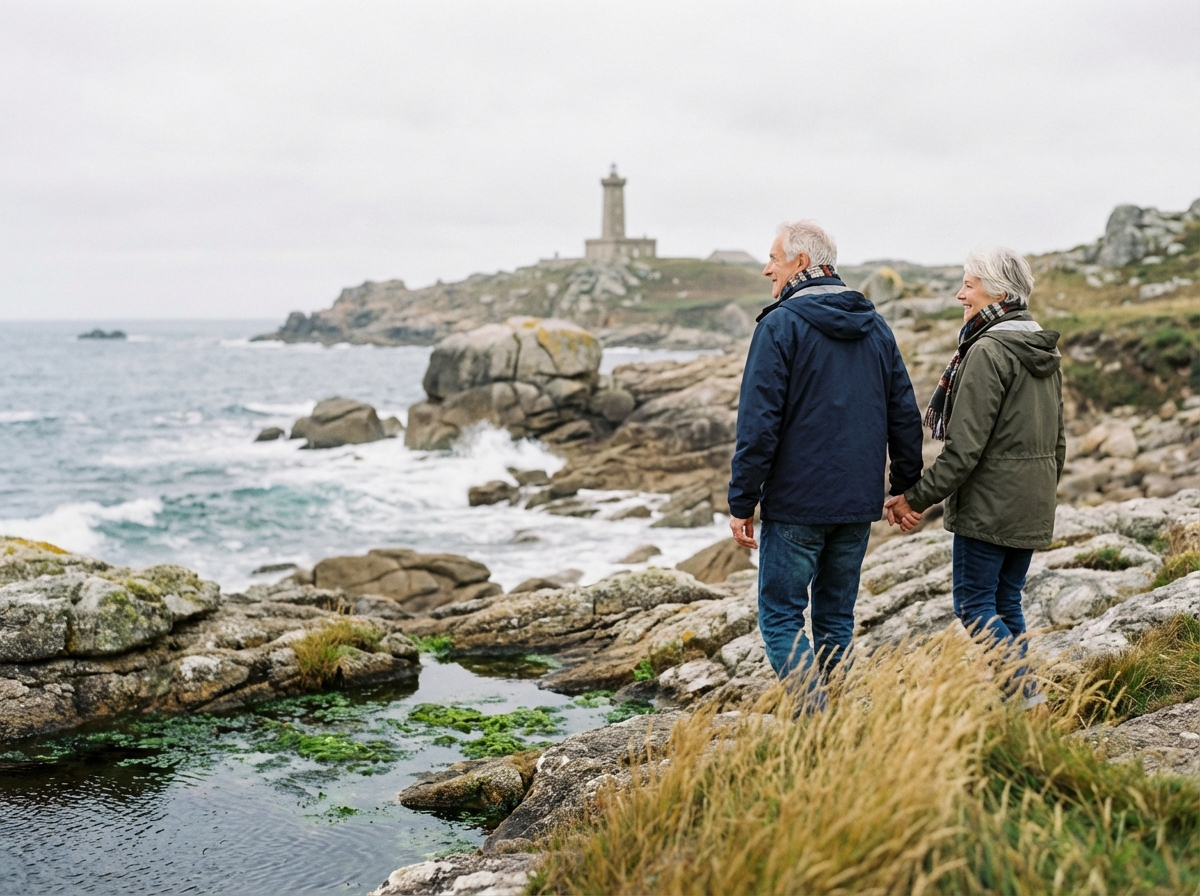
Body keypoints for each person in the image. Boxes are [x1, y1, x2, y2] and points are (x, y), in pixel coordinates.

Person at [729, 220, 924, 691]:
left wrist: (741, 502)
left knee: (780, 621)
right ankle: (837, 732)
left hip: (797, 504)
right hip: (855, 506)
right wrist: (904, 487)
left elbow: (759, 425)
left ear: (800, 262)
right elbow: (904, 413)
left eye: (773, 258)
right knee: (836, 621)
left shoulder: (779, 325)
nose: (765, 269)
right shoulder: (875, 326)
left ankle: (814, 718)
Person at [885, 248, 1064, 700]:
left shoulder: (987, 350)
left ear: (998, 292)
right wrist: (1039, 492)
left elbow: (964, 451)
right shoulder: (1042, 345)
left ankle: (1025, 699)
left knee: (974, 605)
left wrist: (914, 499)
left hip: (990, 506)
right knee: (1005, 603)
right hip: (1030, 501)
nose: (960, 294)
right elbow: (1057, 442)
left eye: (969, 284)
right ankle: (1023, 704)